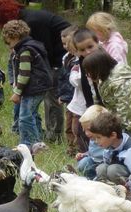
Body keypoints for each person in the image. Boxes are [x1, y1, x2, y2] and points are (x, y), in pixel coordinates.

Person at [0, 0, 71, 143]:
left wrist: (40, 75)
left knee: (52, 99)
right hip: (50, 60)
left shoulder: (32, 22)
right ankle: (42, 134)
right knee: (38, 105)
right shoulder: (26, 22)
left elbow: (45, 51)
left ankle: (55, 136)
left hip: (59, 60)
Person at [2, 19, 53, 147]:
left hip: (34, 87)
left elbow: (24, 74)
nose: (9, 46)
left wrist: (17, 92)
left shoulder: (25, 50)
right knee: (32, 113)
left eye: (9, 42)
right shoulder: (32, 45)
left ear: (15, 37)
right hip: (41, 86)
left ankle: (29, 143)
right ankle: (39, 138)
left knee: (25, 116)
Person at [82, 49, 131, 139]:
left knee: (126, 145)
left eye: (88, 71)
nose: (87, 74)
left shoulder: (120, 82)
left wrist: (116, 129)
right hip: (126, 120)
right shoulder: (104, 79)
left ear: (98, 68)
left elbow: (124, 109)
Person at [88, 111, 131, 183]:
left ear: (113, 135)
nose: (96, 141)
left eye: (99, 137)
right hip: (114, 182)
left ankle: (126, 191)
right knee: (101, 168)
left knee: (113, 170)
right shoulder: (109, 147)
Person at [58, 25, 79, 157]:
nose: (66, 46)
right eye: (64, 44)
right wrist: (61, 94)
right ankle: (71, 147)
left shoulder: (79, 60)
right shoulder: (66, 58)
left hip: (76, 98)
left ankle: (78, 147)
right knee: (68, 124)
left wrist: (66, 95)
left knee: (76, 125)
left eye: (68, 43)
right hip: (68, 98)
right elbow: (63, 78)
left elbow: (73, 83)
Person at [76, 105, 106, 180]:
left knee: (102, 169)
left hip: (106, 164)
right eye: (84, 130)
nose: (87, 133)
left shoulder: (107, 139)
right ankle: (91, 179)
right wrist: (85, 154)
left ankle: (101, 180)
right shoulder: (93, 139)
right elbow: (93, 151)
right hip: (95, 162)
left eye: (89, 130)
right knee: (83, 164)